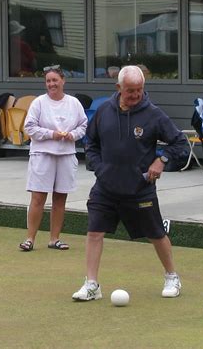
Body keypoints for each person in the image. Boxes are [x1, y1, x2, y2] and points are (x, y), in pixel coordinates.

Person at [72, 65, 189, 301]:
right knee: (94, 231)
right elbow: (90, 144)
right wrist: (100, 168)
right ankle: (92, 284)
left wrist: (161, 160)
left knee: (156, 233)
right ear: (118, 88)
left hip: (139, 189)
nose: (135, 95)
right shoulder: (104, 111)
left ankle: (171, 276)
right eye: (130, 91)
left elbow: (180, 144)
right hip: (106, 187)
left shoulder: (154, 114)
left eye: (139, 90)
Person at [19, 65, 87, 252]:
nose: (51, 84)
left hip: (66, 155)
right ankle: (30, 239)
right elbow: (29, 127)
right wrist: (51, 134)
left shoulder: (73, 103)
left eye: (55, 80)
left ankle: (54, 239)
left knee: (60, 199)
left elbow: (83, 125)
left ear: (63, 81)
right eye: (48, 81)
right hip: (42, 155)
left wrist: (72, 135)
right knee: (38, 198)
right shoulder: (39, 103)